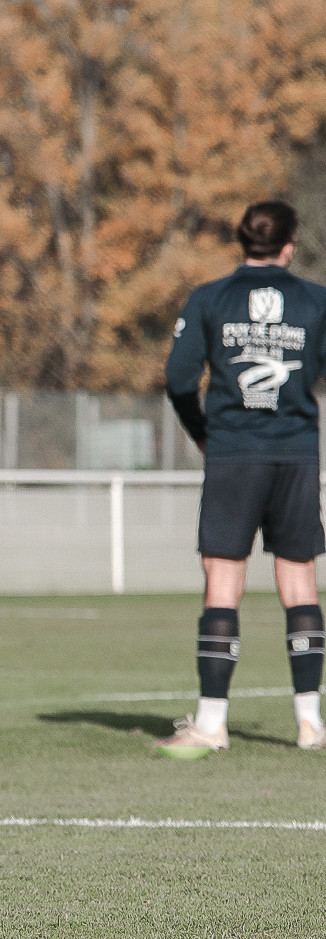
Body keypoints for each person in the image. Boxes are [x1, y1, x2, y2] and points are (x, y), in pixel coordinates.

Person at [159, 200, 326, 754]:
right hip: (296, 456)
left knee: (223, 582)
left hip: (232, 454)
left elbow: (180, 379)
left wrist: (201, 432)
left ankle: (212, 722)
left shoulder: (209, 298)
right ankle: (310, 723)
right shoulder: (315, 301)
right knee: (299, 582)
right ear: (289, 243)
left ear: (242, 241)